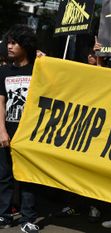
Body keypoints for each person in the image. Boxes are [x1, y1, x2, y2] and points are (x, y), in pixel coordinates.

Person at [0, 24, 39, 233]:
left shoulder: (39, 69)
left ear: (26, 45)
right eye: (9, 42)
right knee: (4, 176)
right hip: (7, 132)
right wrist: (1, 130)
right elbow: (0, 102)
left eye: (14, 42)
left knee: (28, 177)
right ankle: (4, 215)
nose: (10, 46)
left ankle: (28, 218)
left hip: (30, 134)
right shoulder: (4, 71)